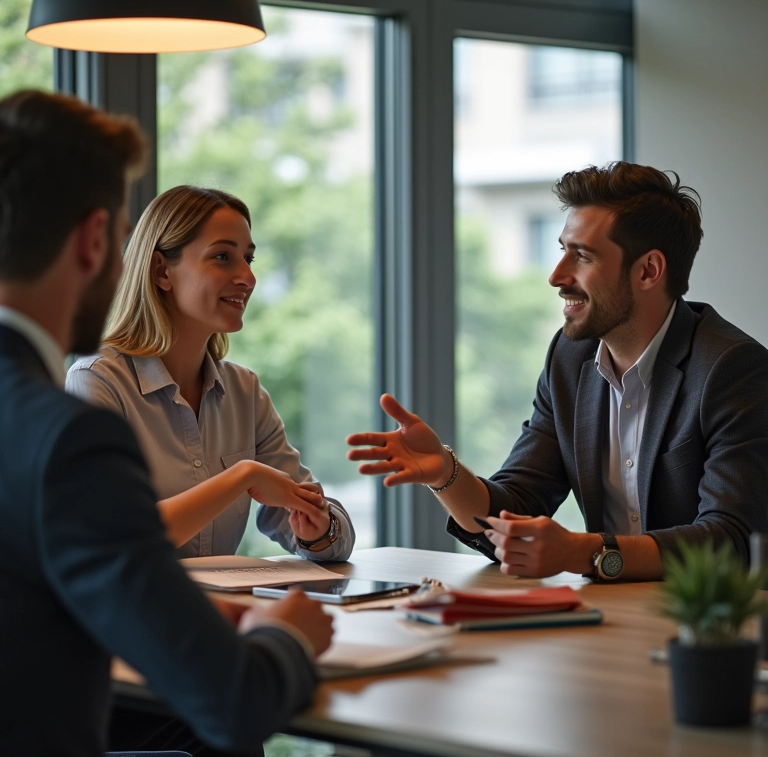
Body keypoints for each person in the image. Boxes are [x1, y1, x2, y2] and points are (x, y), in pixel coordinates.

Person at [0, 89, 333, 757]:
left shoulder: (238, 389)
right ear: (99, 241)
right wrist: (291, 632)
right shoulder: (69, 432)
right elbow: (235, 700)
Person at [347, 161, 768, 582]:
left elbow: (731, 541)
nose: (556, 276)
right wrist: (445, 473)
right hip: (614, 617)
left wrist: (582, 553)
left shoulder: (731, 368)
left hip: (717, 631)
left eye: (582, 256)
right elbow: (517, 507)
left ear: (648, 271)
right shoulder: (571, 357)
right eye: (562, 249)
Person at [66, 184, 354, 561]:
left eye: (249, 260)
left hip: (221, 615)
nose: (247, 278)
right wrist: (242, 477)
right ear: (160, 271)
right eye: (222, 256)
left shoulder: (244, 391)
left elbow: (329, 529)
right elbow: (117, 536)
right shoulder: (96, 382)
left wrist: (319, 531)